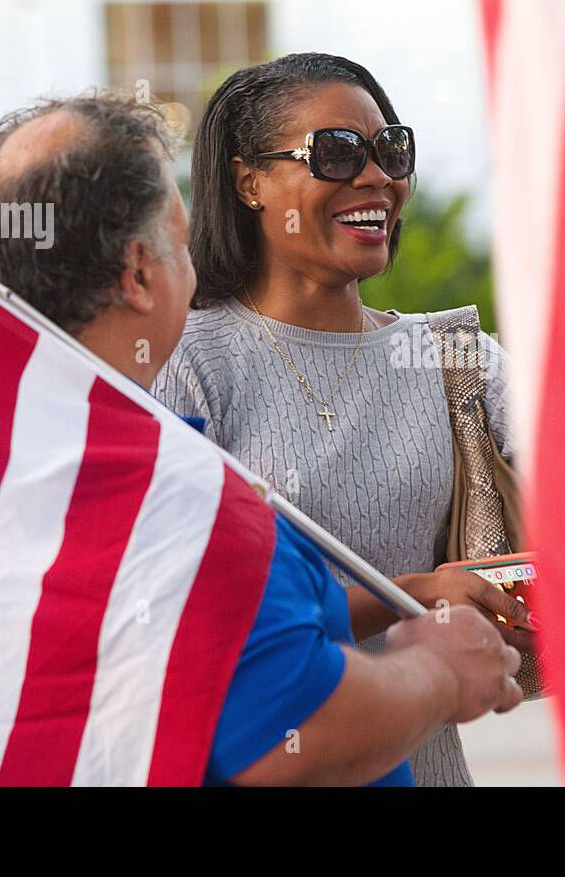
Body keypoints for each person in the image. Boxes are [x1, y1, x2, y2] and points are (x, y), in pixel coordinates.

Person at [0, 90, 522, 786]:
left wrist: (410, 593)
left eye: (391, 150)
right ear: (139, 275)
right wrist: (440, 669)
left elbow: (234, 623)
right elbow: (292, 736)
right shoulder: (183, 494)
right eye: (176, 233)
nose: (374, 176)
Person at [155, 53, 530, 787]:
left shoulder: (458, 358)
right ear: (249, 181)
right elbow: (194, 613)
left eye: (391, 150)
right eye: (336, 153)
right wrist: (414, 593)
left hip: (428, 768)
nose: (375, 178)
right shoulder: (186, 361)